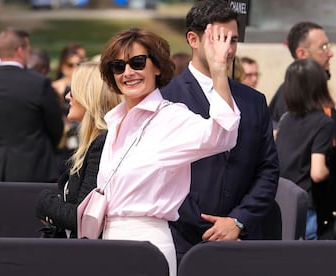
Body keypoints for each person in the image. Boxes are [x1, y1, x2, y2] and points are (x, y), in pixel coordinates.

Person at [97, 27, 240, 276]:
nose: (128, 72)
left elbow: (222, 134)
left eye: (138, 62)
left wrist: (218, 73)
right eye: (118, 66)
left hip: (146, 244)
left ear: (157, 67)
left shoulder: (171, 117)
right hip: (107, 241)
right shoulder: (115, 121)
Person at [160, 0, 279, 263]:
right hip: (185, 243)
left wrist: (238, 221)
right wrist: (210, 230)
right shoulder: (166, 99)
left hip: (245, 242)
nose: (228, 49)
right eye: (220, 39)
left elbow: (267, 170)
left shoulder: (253, 101)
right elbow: (162, 175)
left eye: (233, 40)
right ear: (194, 39)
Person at [35, 61, 122, 238]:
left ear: (88, 96)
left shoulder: (102, 144)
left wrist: (45, 202)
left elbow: (83, 216)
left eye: (73, 91)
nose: (68, 96)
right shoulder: (96, 142)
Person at [0, 28, 63, 182]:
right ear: (20, 51)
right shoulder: (38, 83)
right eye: (28, 49)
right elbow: (55, 125)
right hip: (36, 167)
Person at [276, 58, 334, 240]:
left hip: (281, 200)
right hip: (306, 204)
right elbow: (318, 172)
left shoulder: (285, 120)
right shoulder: (323, 122)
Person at [268, 22, 336, 144]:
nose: (330, 54)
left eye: (328, 46)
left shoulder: (317, 92)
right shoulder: (292, 97)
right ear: (302, 54)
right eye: (323, 48)